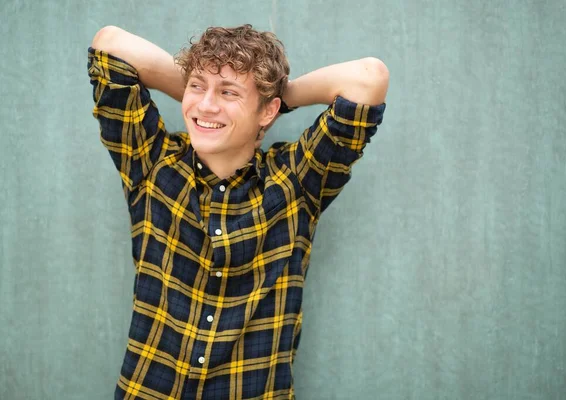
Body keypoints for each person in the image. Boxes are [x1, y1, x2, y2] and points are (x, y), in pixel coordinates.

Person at [88, 24, 388, 400]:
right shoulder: (151, 162)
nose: (207, 104)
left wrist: (279, 97)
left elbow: (368, 78)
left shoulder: (296, 182)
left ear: (269, 112)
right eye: (196, 86)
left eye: (229, 92)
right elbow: (110, 44)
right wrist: (206, 96)